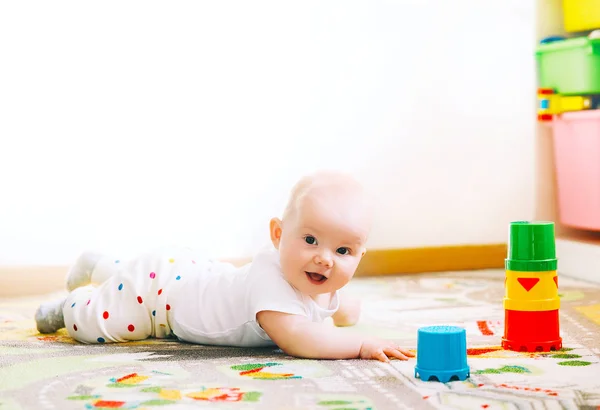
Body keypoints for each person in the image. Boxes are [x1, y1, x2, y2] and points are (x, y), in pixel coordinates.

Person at [35, 170, 414, 362]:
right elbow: (300, 338)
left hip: (193, 273)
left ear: (359, 258)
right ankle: (68, 307)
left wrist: (346, 309)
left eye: (343, 251)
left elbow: (336, 305)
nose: (324, 258)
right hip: (162, 301)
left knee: (130, 274)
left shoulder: (321, 278)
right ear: (278, 235)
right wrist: (361, 343)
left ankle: (101, 265)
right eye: (310, 240)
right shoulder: (271, 281)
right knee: (106, 322)